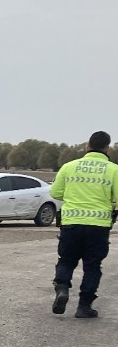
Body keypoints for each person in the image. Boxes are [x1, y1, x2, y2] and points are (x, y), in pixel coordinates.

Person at [50, 130, 118, 318]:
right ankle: (84, 306)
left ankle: (62, 288)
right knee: (93, 266)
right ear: (107, 148)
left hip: (71, 223)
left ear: (87, 147)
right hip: (98, 226)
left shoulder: (69, 166)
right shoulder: (113, 170)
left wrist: (74, 196)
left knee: (66, 260)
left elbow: (55, 193)